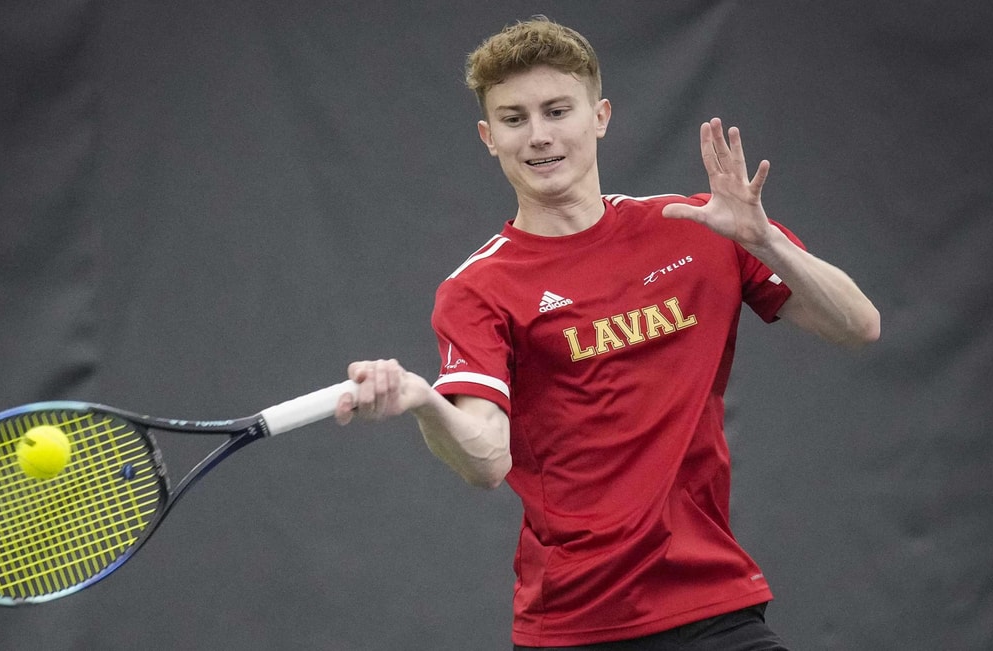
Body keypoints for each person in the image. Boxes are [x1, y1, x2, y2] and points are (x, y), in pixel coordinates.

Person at [334, 16, 879, 650]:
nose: (538, 136)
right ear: (488, 137)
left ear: (601, 116)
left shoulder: (703, 228)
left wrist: (766, 242)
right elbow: (486, 460)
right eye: (514, 119)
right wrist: (425, 403)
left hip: (714, 604)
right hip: (575, 625)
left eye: (557, 111)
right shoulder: (476, 289)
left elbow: (859, 326)